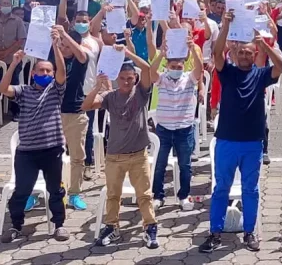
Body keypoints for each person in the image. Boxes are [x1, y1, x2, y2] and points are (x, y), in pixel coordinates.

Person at [199, 9, 282, 253]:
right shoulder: (227, 73)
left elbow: (281, 67)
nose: (245, 56)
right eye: (241, 52)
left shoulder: (260, 75)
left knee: (250, 189)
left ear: (254, 54)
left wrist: (264, 45)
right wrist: (225, 25)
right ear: (234, 54)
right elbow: (216, 54)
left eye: (249, 52)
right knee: (221, 189)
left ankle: (249, 232)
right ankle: (215, 233)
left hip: (251, 143)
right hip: (226, 140)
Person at [82, 43, 159, 249]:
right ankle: (112, 227)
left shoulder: (142, 93)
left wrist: (128, 53)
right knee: (113, 195)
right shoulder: (110, 96)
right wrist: (98, 86)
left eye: (130, 78)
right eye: (123, 78)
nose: (126, 81)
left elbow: (147, 69)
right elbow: (86, 105)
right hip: (114, 156)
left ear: (134, 79)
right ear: (117, 78)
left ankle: (150, 227)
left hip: (138, 155)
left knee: (144, 195)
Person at [0, 41, 69, 243]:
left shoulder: (56, 90)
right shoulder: (23, 91)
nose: (45, 73)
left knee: (55, 189)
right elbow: (3, 89)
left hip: (52, 150)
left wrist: (56, 47)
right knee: (22, 190)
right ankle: (16, 226)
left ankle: (59, 225)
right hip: (27, 152)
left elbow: (62, 71)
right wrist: (13, 63)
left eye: (48, 70)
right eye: (41, 70)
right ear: (32, 74)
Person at [150, 35, 203, 210]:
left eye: (179, 67)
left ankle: (184, 195)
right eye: (173, 67)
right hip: (164, 129)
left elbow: (199, 69)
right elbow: (151, 73)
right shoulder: (162, 79)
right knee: (159, 164)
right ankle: (158, 196)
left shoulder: (189, 78)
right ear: (167, 66)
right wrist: (161, 54)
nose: (176, 69)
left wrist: (193, 49)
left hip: (184, 129)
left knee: (185, 165)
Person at [51, 25, 91, 211]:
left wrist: (65, 34)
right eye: (62, 45)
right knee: (48, 156)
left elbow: (81, 54)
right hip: (53, 114)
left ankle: (74, 193)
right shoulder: (53, 58)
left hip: (75, 113)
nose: (64, 49)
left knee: (77, 156)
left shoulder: (80, 60)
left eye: (67, 46)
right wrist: (55, 41)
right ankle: (45, 191)